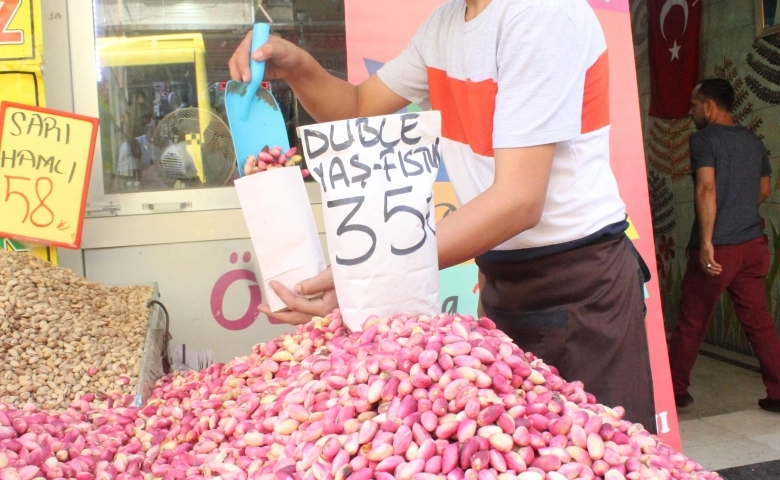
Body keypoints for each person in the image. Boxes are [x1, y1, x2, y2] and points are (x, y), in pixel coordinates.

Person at [229, 0, 657, 430]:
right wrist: (299, 68)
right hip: (503, 280)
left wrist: (369, 273)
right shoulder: (445, 25)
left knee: (598, 451)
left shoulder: (540, 14)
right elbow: (358, 106)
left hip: (579, 288)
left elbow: (520, 199)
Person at [668, 78, 780, 412]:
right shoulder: (753, 141)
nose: (690, 111)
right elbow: (763, 189)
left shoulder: (704, 139)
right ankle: (778, 392)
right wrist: (741, 214)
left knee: (691, 320)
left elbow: (706, 188)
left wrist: (706, 241)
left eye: (693, 104)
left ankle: (675, 391)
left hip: (718, 249)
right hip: (752, 246)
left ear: (709, 106)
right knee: (759, 323)